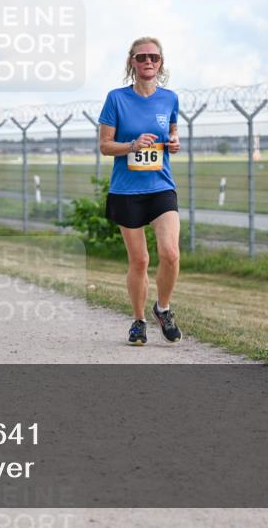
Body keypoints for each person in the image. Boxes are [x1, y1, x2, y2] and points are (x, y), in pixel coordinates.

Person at [98, 36, 182, 346]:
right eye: (142, 57)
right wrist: (132, 145)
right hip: (127, 191)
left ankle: (163, 308)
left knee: (170, 254)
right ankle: (138, 320)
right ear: (132, 63)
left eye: (154, 58)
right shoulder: (116, 98)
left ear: (161, 64)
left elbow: (171, 134)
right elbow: (105, 146)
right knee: (140, 261)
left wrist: (174, 143)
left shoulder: (170, 98)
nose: (149, 61)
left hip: (161, 186)